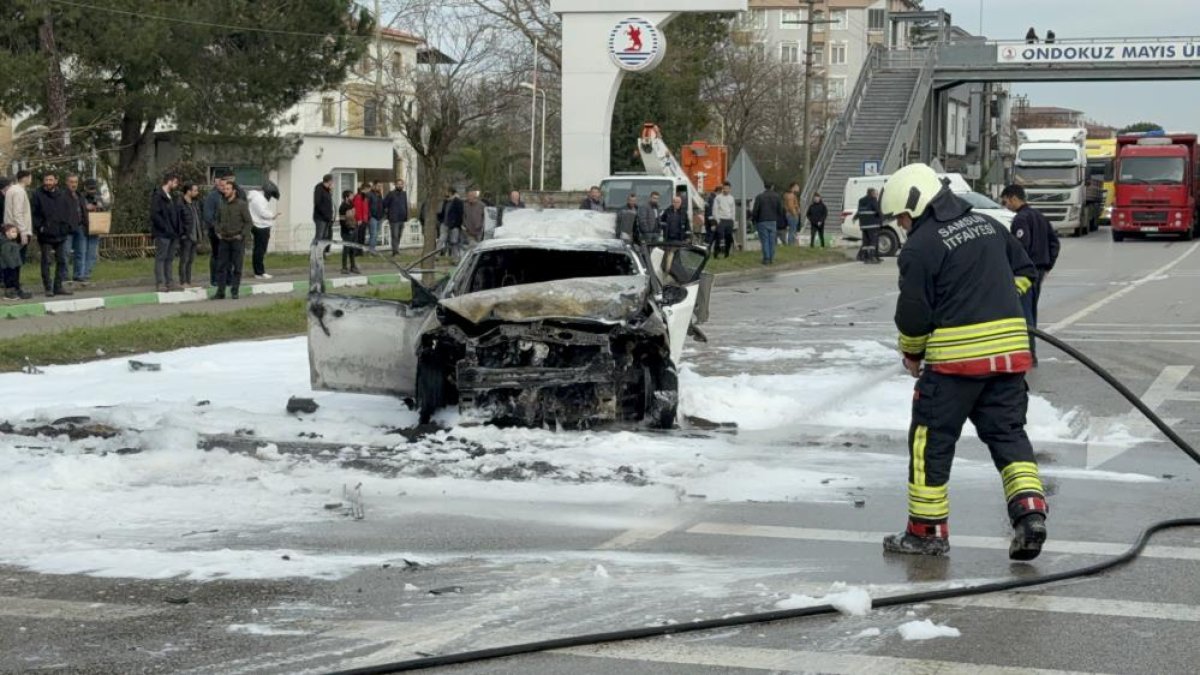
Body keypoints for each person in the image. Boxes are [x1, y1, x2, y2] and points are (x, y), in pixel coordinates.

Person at [879, 162, 1046, 560]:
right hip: (1008, 358)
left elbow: (914, 314)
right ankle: (1030, 515)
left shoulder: (920, 247)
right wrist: (1000, 297)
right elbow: (1025, 272)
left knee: (930, 444)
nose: (901, 225)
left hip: (955, 365)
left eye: (902, 216)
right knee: (1009, 435)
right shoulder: (990, 226)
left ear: (916, 205)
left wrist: (913, 352)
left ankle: (926, 533)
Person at [1001, 184, 1060, 366]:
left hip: (1025, 273)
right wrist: (1048, 265)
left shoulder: (1020, 219)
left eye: (1005, 201)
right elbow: (1054, 243)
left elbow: (1020, 247)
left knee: (1023, 314)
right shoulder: (1040, 216)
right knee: (1031, 312)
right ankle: (1030, 352)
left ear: (1013, 198)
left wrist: (1015, 268)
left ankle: (1029, 354)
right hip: (1039, 271)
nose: (1005, 206)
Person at [31, 172, 75, 297]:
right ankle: (48, 287)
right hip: (45, 235)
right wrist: (40, 227)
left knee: (62, 260)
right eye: (46, 180)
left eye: (51, 180)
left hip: (60, 233)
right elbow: (34, 213)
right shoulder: (37, 195)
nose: (49, 182)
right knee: (46, 260)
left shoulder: (62, 195)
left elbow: (68, 212)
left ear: (56, 180)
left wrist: (66, 227)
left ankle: (58, 286)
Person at [213, 179, 253, 299]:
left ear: (234, 191)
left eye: (228, 189)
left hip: (237, 240)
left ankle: (234, 291)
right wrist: (218, 231)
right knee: (221, 267)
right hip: (224, 240)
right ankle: (220, 292)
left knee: (237, 267)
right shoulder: (222, 204)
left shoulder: (241, 205)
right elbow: (217, 220)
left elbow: (248, 222)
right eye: (224, 189)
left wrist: (242, 235)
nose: (225, 191)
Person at [150, 173, 181, 291]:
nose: (176, 185)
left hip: (172, 233)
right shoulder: (158, 196)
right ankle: (160, 282)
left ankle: (170, 282)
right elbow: (155, 214)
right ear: (169, 181)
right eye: (175, 182)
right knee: (161, 257)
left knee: (170, 258)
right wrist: (164, 227)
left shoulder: (170, 196)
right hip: (163, 233)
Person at [247, 181, 280, 279]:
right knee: (260, 250)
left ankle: (259, 271)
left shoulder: (256, 197)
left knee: (259, 249)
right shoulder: (259, 199)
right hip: (260, 227)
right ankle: (259, 272)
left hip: (259, 225)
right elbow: (262, 213)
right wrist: (273, 215)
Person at [73, 178, 103, 283]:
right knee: (81, 251)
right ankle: (78, 274)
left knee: (91, 253)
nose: (92, 191)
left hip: (95, 226)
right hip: (82, 226)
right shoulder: (79, 197)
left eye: (94, 188)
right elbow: (75, 210)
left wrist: (99, 206)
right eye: (90, 188)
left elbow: (106, 208)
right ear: (85, 188)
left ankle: (87, 274)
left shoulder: (99, 197)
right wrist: (85, 207)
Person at [63, 175, 91, 286]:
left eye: (76, 182)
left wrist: (86, 225)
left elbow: (83, 211)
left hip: (80, 227)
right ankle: (64, 276)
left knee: (81, 252)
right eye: (71, 182)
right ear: (67, 182)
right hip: (68, 228)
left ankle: (79, 275)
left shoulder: (79, 196)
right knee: (65, 253)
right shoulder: (62, 196)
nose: (74, 184)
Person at [751, 183, 785, 265]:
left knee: (765, 240)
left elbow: (755, 210)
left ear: (764, 187)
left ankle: (766, 258)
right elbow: (780, 210)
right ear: (772, 186)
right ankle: (772, 258)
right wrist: (778, 218)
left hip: (762, 221)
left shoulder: (759, 197)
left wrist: (754, 220)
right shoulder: (777, 196)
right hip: (773, 221)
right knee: (772, 240)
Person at [177, 182, 202, 288]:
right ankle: (183, 282)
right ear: (188, 191)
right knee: (184, 259)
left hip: (194, 235)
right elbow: (178, 221)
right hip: (186, 236)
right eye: (195, 190)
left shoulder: (195, 203)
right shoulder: (180, 204)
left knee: (190, 260)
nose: (197, 192)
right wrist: (182, 234)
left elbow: (197, 219)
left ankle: (188, 280)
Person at [4, 170, 33, 260]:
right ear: (25, 178)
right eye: (30, 178)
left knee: (10, 259)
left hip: (9, 229)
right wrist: (23, 231)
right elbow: (17, 213)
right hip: (18, 231)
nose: (31, 180)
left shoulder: (11, 189)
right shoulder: (19, 191)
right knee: (17, 260)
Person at [1, 222, 32, 300]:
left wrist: (22, 245)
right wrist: (12, 264)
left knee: (15, 279)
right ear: (6, 233)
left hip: (15, 265)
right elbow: (6, 255)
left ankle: (17, 291)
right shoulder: (5, 244)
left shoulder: (13, 242)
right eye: (13, 232)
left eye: (16, 232)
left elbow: (16, 250)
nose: (15, 234)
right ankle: (9, 293)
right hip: (9, 266)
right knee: (9, 279)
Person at [855, 187, 883, 264]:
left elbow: (859, 212)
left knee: (866, 242)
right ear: (872, 193)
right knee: (873, 242)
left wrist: (855, 218)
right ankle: (871, 257)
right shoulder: (873, 200)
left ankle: (864, 257)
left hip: (864, 225)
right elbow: (877, 211)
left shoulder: (861, 200)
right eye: (875, 193)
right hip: (872, 224)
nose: (876, 195)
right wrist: (881, 221)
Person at [384, 178, 409, 256]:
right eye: (398, 184)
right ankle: (395, 251)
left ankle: (396, 248)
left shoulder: (404, 194)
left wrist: (406, 215)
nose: (400, 185)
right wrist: (388, 213)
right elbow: (385, 204)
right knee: (394, 235)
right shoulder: (391, 194)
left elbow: (405, 205)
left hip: (402, 218)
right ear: (395, 185)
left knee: (399, 235)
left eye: (401, 184)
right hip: (394, 218)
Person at [338, 189, 360, 274]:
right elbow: (342, 221)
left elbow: (354, 216)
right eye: (351, 196)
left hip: (354, 228)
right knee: (346, 249)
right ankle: (344, 267)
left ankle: (353, 266)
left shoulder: (351, 205)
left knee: (352, 249)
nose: (353, 197)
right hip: (346, 231)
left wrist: (355, 226)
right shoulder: (343, 207)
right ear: (346, 197)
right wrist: (348, 229)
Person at [712, 182, 736, 258]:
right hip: (721, 220)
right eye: (725, 188)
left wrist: (733, 220)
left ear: (730, 189)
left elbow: (733, 210)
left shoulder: (731, 198)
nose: (726, 190)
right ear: (723, 189)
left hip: (729, 220)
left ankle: (726, 253)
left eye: (727, 189)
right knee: (720, 237)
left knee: (728, 237)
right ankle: (716, 253)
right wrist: (718, 220)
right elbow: (715, 210)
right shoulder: (718, 198)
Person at [313, 173, 334, 254]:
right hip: (320, 217)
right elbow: (317, 203)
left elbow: (328, 203)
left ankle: (321, 253)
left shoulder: (327, 190)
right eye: (332, 181)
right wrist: (325, 214)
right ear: (329, 181)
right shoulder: (319, 189)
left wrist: (330, 191)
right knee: (319, 236)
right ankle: (314, 253)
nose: (332, 183)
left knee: (325, 236)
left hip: (327, 218)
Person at [442, 187, 465, 259]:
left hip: (454, 225)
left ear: (450, 192)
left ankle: (456, 257)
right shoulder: (446, 201)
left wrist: (457, 224)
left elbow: (460, 213)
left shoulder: (458, 201)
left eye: (447, 192)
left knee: (454, 241)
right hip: (446, 224)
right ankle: (452, 256)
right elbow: (444, 212)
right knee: (445, 240)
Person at [367, 181, 385, 252]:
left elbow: (382, 205)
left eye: (380, 186)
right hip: (372, 217)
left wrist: (383, 215)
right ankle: (371, 250)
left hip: (380, 217)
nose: (379, 187)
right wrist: (370, 216)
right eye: (378, 186)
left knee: (376, 234)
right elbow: (367, 206)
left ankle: (373, 249)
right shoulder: (369, 194)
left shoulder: (380, 195)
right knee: (373, 234)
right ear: (374, 186)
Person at [783, 182, 801, 246]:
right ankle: (791, 244)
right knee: (792, 230)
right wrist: (795, 214)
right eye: (797, 186)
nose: (798, 188)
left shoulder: (788, 194)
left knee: (793, 229)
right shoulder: (791, 195)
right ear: (793, 187)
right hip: (792, 214)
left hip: (790, 214)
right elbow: (791, 206)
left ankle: (792, 243)